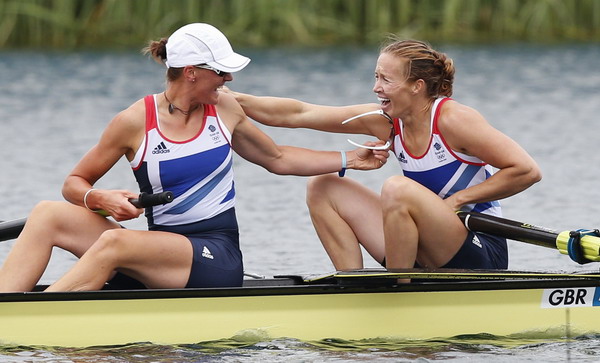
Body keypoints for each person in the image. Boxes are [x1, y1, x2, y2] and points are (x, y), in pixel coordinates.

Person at [0, 23, 388, 293]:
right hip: (158, 255)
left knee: (114, 247)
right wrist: (99, 199)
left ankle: (28, 323)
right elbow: (74, 183)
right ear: (190, 73)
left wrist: (349, 158)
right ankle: (11, 309)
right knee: (47, 214)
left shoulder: (226, 109)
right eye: (221, 71)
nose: (228, 79)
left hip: (214, 256)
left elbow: (279, 158)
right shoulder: (134, 121)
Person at [228, 39, 542, 275]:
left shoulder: (453, 120)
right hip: (420, 244)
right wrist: (227, 97)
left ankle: (398, 291)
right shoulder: (388, 120)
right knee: (323, 186)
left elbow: (526, 170)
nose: (376, 88)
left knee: (396, 188)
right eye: (376, 77)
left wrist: (458, 200)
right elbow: (299, 113)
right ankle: (353, 285)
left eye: (386, 80)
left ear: (417, 87)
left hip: (479, 250)